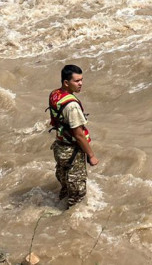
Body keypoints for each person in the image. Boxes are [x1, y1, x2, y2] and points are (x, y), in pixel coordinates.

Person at [48, 64, 97, 207]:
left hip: (60, 148)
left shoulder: (55, 94)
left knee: (65, 182)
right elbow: (79, 135)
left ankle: (59, 204)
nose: (81, 84)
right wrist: (91, 155)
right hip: (72, 151)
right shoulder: (72, 106)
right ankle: (66, 217)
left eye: (81, 80)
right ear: (66, 82)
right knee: (78, 192)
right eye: (77, 81)